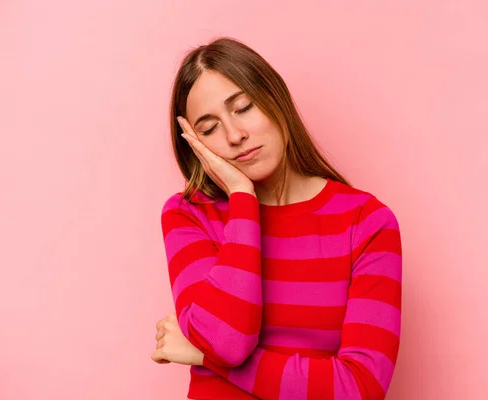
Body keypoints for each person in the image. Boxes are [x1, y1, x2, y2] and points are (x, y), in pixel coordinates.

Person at [151, 36, 402, 400]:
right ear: (194, 143)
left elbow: (359, 388)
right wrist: (241, 196)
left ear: (275, 99)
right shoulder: (188, 214)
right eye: (208, 128)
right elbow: (228, 342)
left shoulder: (366, 222)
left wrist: (202, 355)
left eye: (244, 107)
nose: (236, 135)